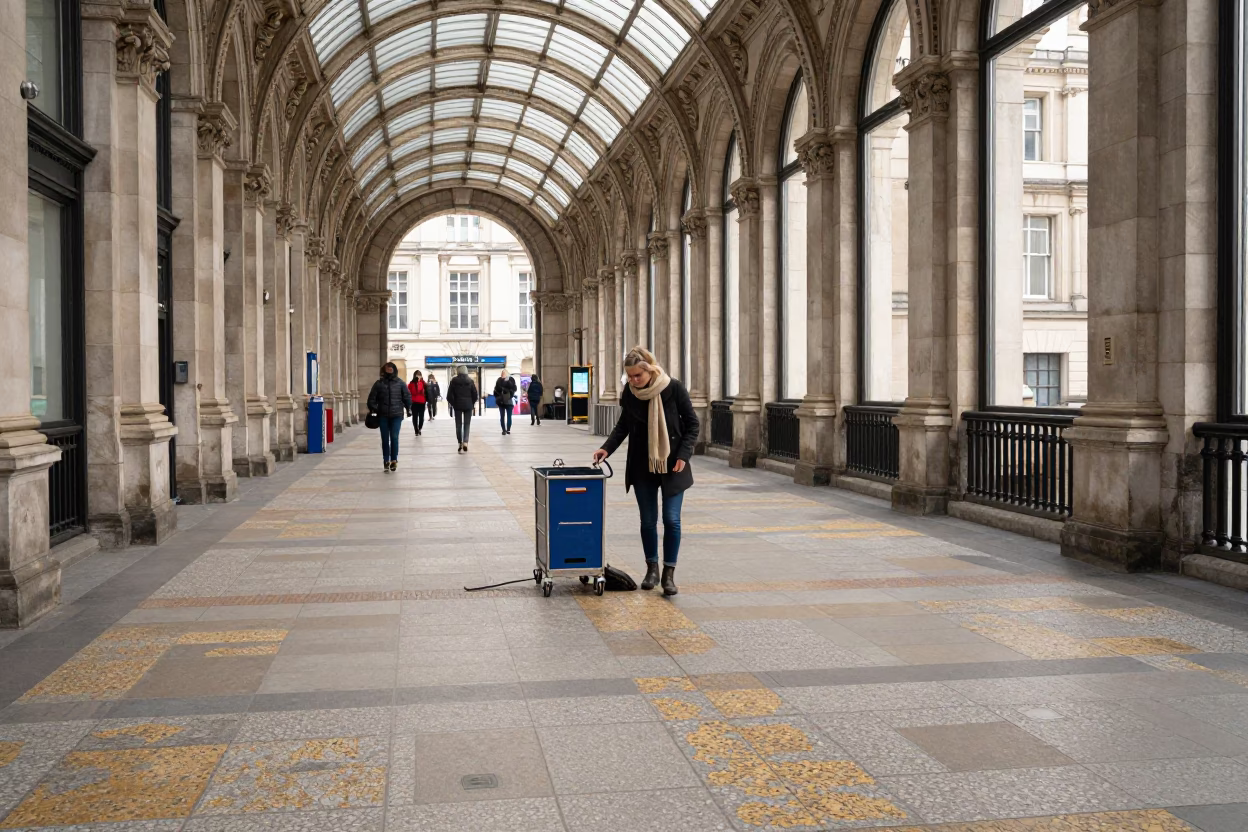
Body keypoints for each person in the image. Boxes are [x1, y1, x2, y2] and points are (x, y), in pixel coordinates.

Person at [592, 347, 699, 596]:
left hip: (673, 464)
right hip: (642, 465)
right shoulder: (629, 393)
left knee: (672, 520)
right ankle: (652, 569)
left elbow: (693, 424)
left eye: (637, 376)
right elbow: (623, 425)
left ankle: (669, 574)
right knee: (648, 521)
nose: (633, 380)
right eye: (629, 376)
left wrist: (683, 456)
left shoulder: (674, 388)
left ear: (649, 370)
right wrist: (606, 448)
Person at [367, 362, 411, 472]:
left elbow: (407, 397)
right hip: (383, 416)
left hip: (397, 415)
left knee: (394, 437)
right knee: (385, 439)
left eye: (391, 369)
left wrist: (408, 408)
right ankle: (386, 460)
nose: (389, 370)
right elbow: (371, 399)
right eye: (387, 369)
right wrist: (376, 408)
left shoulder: (400, 383)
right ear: (384, 370)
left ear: (394, 370)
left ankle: (394, 460)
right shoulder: (379, 384)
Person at [446, 365, 479, 453]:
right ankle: (465, 442)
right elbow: (475, 395)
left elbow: (449, 396)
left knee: (458, 425)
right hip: (468, 405)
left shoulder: (453, 381)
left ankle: (460, 442)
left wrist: (454, 403)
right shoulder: (470, 381)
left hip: (458, 405)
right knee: (467, 424)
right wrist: (471, 403)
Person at [493, 370, 517, 435]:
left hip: (501, 401)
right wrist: (510, 395)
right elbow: (514, 389)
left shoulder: (499, 381)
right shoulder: (511, 380)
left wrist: (498, 397)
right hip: (509, 401)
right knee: (509, 416)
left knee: (502, 416)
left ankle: (504, 430)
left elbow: (495, 391)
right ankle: (508, 430)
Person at [408, 370, 427, 436]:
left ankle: (420, 428)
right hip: (414, 402)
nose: (418, 376)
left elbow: (426, 391)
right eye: (417, 374)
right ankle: (416, 429)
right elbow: (411, 392)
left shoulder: (423, 383)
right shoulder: (411, 383)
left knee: (421, 417)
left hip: (422, 402)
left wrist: (420, 382)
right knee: (415, 417)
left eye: (419, 374)